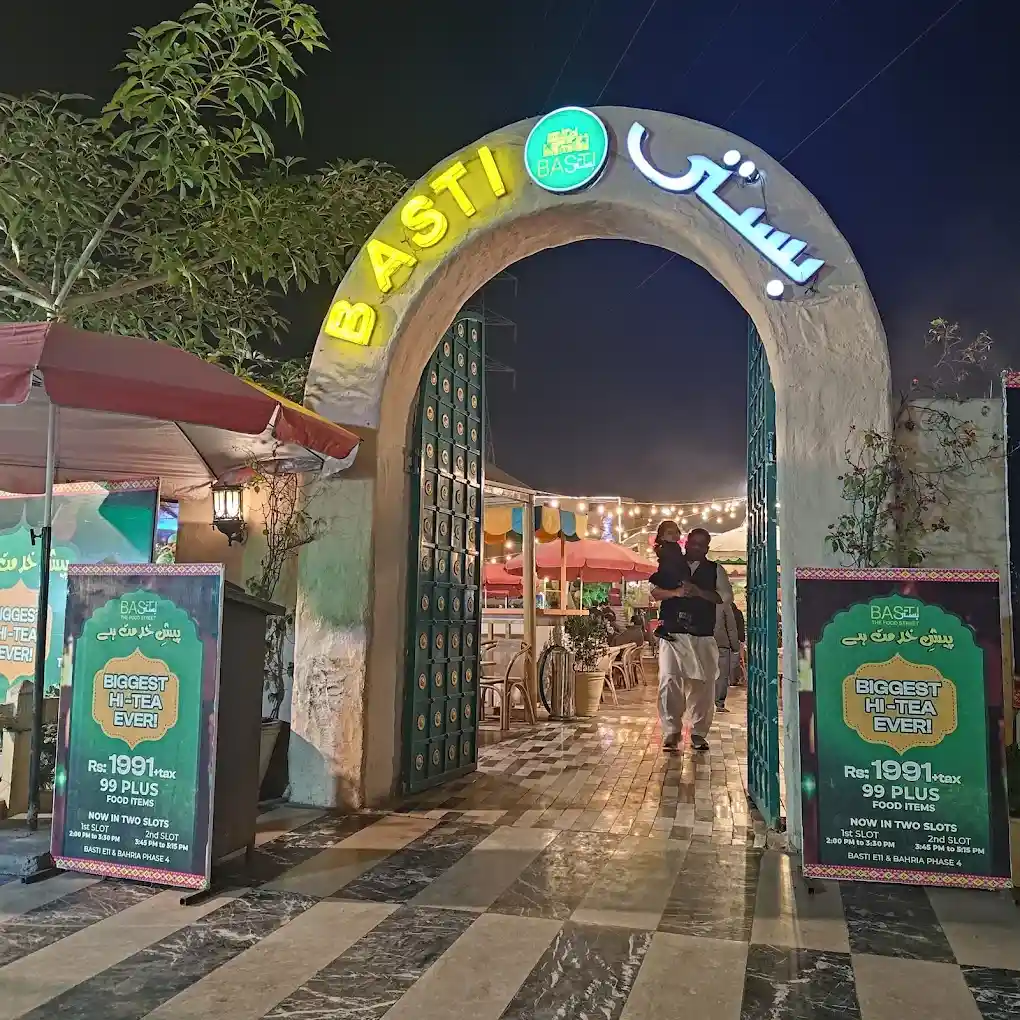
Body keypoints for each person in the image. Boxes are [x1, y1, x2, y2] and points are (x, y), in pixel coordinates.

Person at [649, 523, 733, 753]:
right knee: (670, 682)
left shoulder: (715, 570)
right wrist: (676, 593)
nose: (696, 548)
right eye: (693, 543)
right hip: (673, 634)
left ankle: (698, 732)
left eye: (701, 545)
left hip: (702, 635)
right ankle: (671, 731)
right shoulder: (671, 563)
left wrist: (699, 593)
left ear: (707, 548)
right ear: (686, 542)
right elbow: (655, 592)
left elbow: (725, 597)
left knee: (704, 685)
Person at [714, 599, 741, 712]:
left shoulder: (699, 602)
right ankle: (719, 704)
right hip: (721, 644)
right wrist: (735, 647)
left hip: (703, 642)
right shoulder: (724, 605)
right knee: (722, 675)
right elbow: (731, 628)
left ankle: (703, 703)